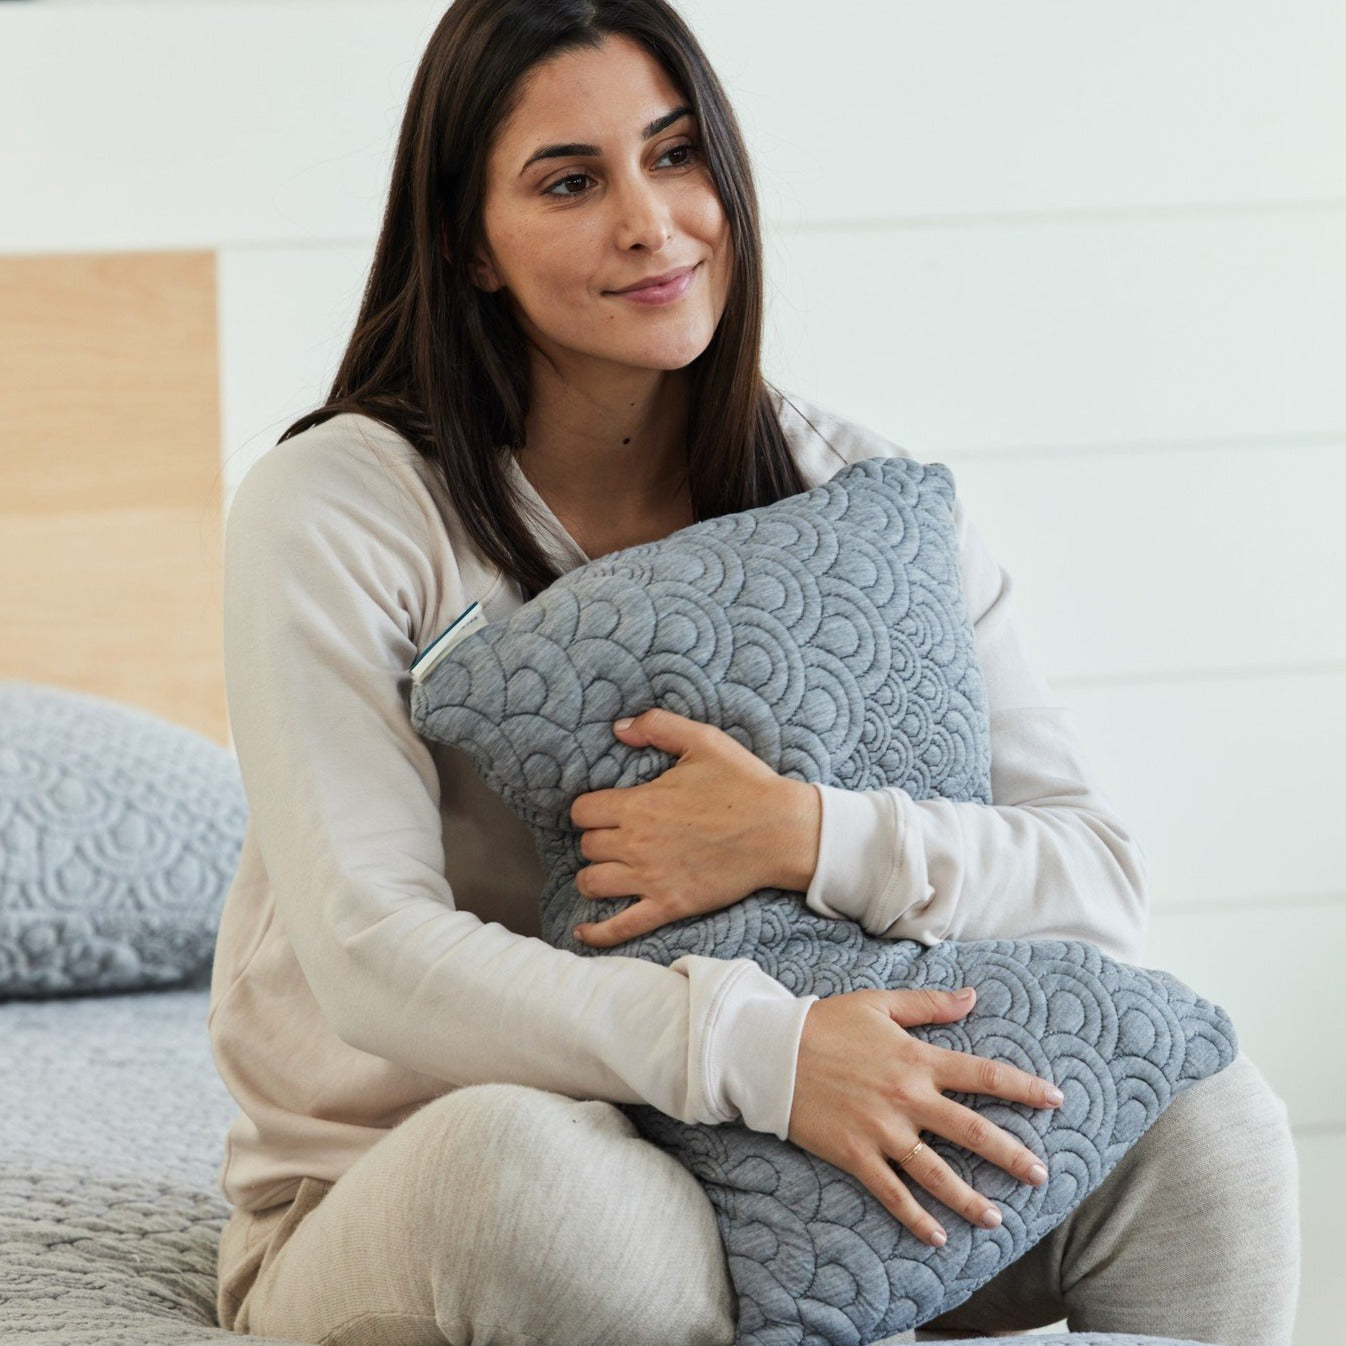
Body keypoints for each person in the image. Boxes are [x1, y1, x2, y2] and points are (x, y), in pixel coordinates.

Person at [208, 1, 1300, 1343]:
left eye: (677, 156)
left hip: (810, 1155)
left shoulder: (861, 491)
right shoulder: (336, 507)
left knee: (1203, 1114)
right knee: (532, 1184)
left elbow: (1095, 884)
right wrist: (762, 1054)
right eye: (570, 180)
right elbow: (376, 957)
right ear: (464, 245)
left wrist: (802, 832)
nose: (651, 221)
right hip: (438, 1166)